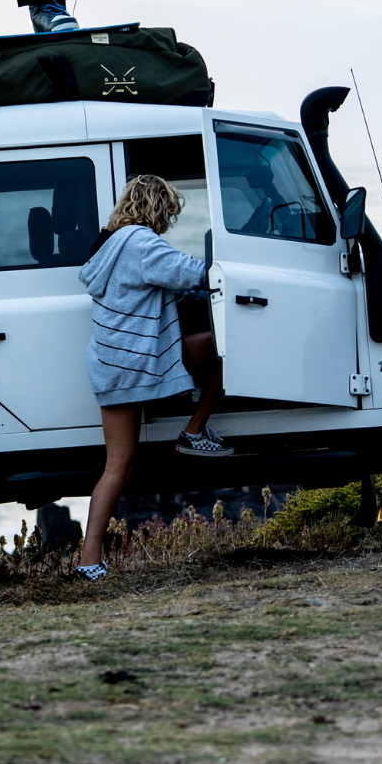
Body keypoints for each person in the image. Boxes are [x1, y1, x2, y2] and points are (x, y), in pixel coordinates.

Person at [74, 174, 233, 581]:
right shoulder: (142, 243)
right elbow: (194, 274)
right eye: (168, 213)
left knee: (117, 467)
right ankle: (195, 429)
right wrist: (229, 269)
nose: (168, 223)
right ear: (156, 208)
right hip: (139, 361)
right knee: (228, 349)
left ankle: (88, 562)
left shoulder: (108, 245)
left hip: (110, 365)